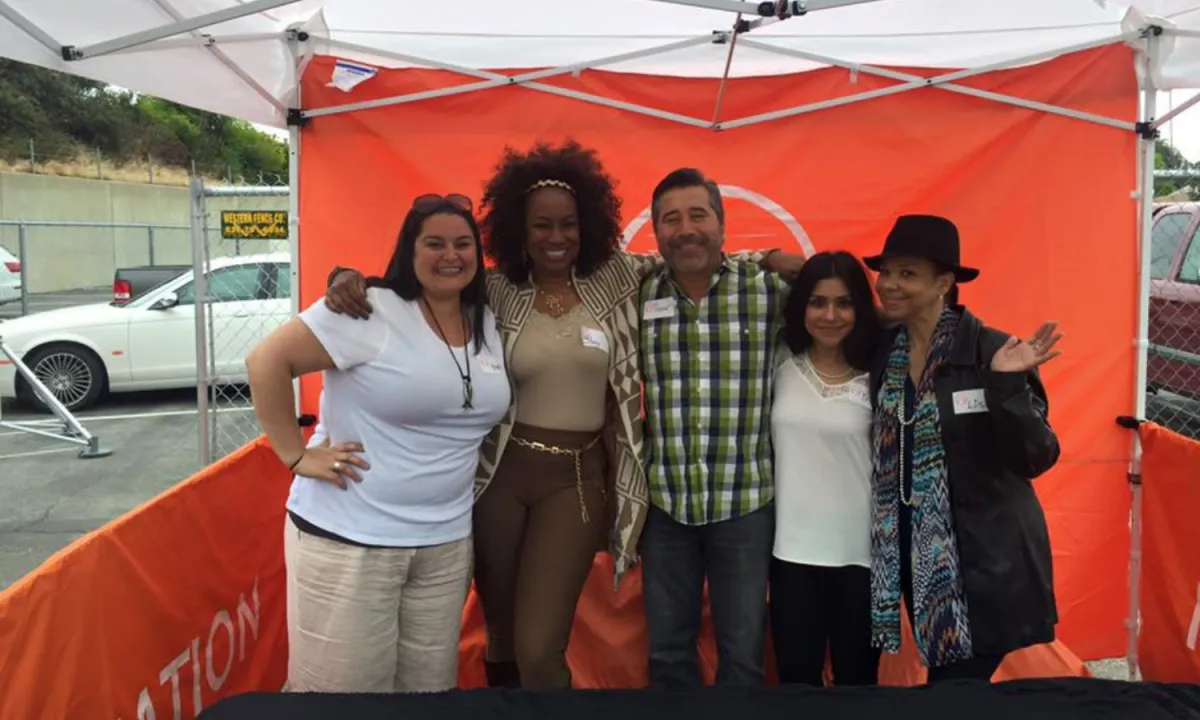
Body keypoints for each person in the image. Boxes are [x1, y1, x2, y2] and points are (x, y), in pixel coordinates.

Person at [322, 142, 803, 690]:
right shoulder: (494, 289)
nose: (556, 237)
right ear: (518, 230)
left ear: (587, 225)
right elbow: (420, 288)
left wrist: (768, 256)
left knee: (538, 646)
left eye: (568, 224)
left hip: (576, 478)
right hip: (498, 477)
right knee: (500, 634)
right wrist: (348, 276)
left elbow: (692, 256)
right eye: (541, 225)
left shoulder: (616, 278)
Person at [245, 193, 511, 693]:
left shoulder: (488, 319)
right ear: (410, 250)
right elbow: (266, 362)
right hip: (349, 541)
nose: (450, 255)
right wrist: (296, 456)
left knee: (428, 694)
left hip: (445, 546)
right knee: (342, 697)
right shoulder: (369, 308)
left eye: (462, 244)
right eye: (434, 243)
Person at [864, 214, 1063, 684]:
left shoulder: (993, 352)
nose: (889, 284)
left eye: (907, 273)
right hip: (907, 549)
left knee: (955, 688)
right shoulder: (884, 351)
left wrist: (1006, 386)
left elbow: (1036, 457)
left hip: (984, 558)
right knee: (951, 685)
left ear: (944, 283)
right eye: (886, 272)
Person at [638, 168, 792, 689]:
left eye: (697, 215)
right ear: (656, 231)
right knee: (667, 653)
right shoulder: (637, 295)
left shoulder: (770, 290)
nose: (685, 229)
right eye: (670, 219)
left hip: (745, 503)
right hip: (665, 504)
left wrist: (772, 257)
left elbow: (849, 302)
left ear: (722, 224)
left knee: (743, 653)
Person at [769, 250, 882, 687]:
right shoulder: (779, 363)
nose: (830, 315)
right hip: (790, 555)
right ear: (801, 307)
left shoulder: (880, 376)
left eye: (844, 303)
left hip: (862, 557)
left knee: (858, 684)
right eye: (817, 302)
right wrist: (768, 258)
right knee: (797, 685)